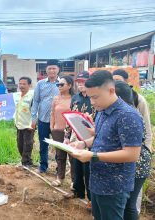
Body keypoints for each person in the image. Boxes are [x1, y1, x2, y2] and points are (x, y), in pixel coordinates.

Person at [71, 70, 144, 220]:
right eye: (90, 97)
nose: (92, 102)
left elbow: (132, 154)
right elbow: (100, 137)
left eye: (95, 97)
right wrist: (83, 143)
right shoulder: (102, 111)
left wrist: (93, 156)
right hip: (97, 180)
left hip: (114, 185)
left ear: (111, 91)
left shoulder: (128, 116)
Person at [112, 81, 152, 220]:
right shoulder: (123, 112)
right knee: (126, 203)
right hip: (132, 162)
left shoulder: (129, 114)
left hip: (137, 164)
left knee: (129, 203)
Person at [63, 71, 95, 209]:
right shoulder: (75, 98)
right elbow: (70, 118)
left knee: (88, 169)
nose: (81, 84)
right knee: (76, 165)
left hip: (91, 138)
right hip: (76, 137)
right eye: (79, 82)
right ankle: (77, 191)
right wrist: (66, 136)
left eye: (84, 82)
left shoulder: (94, 98)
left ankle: (91, 199)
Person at [31, 59, 60, 173]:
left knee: (59, 145)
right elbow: (36, 101)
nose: (52, 70)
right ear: (46, 70)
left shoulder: (63, 83)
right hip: (43, 119)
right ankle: (43, 166)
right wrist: (34, 118)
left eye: (54, 68)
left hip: (58, 121)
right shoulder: (40, 83)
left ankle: (59, 168)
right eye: (49, 68)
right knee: (43, 144)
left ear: (58, 69)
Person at [50, 75, 74, 187]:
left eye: (62, 84)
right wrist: (52, 126)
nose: (59, 86)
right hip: (57, 130)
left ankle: (74, 181)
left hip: (71, 131)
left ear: (69, 86)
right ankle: (60, 177)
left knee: (73, 157)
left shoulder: (74, 99)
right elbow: (52, 113)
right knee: (60, 156)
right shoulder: (56, 98)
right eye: (58, 84)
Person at [14, 76, 35, 167]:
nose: (21, 86)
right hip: (19, 124)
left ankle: (26, 163)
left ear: (29, 85)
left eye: (24, 84)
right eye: (20, 84)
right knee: (20, 145)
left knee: (28, 144)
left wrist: (33, 123)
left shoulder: (32, 96)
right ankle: (25, 161)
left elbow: (35, 111)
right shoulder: (17, 95)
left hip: (28, 125)